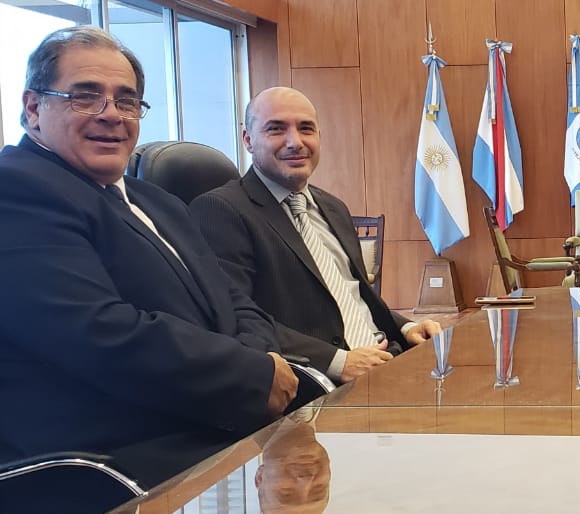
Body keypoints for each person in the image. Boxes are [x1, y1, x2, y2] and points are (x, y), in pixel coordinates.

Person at [0, 26, 297, 507]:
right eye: (85, 97)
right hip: (109, 464)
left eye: (127, 100)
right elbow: (100, 332)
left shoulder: (159, 201)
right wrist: (252, 376)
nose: (111, 115)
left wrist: (262, 363)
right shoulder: (16, 191)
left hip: (214, 430)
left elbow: (234, 301)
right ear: (34, 108)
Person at [191, 87, 440, 384]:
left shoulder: (333, 207)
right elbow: (236, 314)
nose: (295, 142)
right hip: (319, 382)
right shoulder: (221, 210)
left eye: (306, 128)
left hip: (387, 359)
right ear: (248, 139)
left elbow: (351, 294)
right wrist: (338, 362)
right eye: (276, 129)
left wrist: (406, 328)